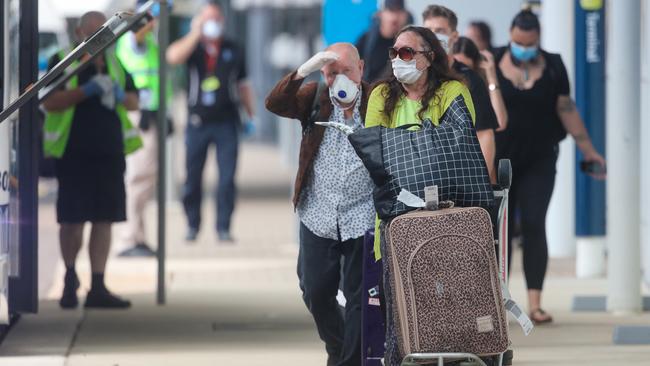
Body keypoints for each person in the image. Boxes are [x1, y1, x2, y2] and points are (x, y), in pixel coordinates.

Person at [365, 25, 477, 366]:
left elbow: (460, 149)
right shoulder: (381, 95)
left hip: (445, 215)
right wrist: (422, 149)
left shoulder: (453, 91)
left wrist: (407, 151)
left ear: (429, 58)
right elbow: (373, 152)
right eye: (395, 53)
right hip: (396, 216)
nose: (399, 60)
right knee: (400, 306)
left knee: (447, 306)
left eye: (407, 53)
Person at [493, 9, 606, 324]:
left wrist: (589, 150)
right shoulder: (494, 60)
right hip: (501, 160)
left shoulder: (554, 65)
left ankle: (535, 303)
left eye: (528, 43)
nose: (522, 48)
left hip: (540, 157)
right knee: (498, 231)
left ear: (538, 40)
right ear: (510, 35)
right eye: (518, 42)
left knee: (533, 223)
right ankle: (497, 301)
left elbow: (566, 108)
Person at [266, 43, 373, 366]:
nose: (339, 79)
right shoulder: (316, 98)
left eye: (346, 72)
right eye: (332, 73)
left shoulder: (379, 100)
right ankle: (338, 344)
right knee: (314, 289)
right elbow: (275, 103)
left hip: (363, 212)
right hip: (319, 212)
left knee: (359, 298)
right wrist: (303, 72)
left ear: (361, 69)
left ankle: (349, 360)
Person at [42, 11, 142, 309]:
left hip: (109, 153)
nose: (101, 39)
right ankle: (69, 279)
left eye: (105, 33)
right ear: (79, 33)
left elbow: (135, 100)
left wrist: (119, 95)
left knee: (104, 219)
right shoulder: (62, 60)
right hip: (74, 154)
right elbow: (50, 101)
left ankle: (98, 286)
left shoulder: (113, 62)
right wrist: (85, 91)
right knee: (72, 221)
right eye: (94, 33)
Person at [166, 0, 256, 243]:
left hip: (227, 121)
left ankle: (223, 228)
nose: (212, 24)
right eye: (207, 20)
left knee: (227, 179)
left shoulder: (234, 48)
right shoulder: (193, 47)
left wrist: (251, 115)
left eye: (216, 19)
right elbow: (172, 56)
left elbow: (244, 84)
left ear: (223, 22)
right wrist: (195, 33)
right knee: (192, 178)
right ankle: (192, 225)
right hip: (198, 122)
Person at [422, 5, 504, 181]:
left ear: (454, 36)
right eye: (428, 30)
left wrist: (479, 184)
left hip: (461, 178)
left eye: (440, 30)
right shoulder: (413, 77)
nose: (434, 36)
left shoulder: (470, 80)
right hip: (422, 178)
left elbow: (484, 135)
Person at [115, 0, 170, 257]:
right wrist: (151, 13)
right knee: (138, 176)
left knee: (145, 178)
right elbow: (135, 32)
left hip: (150, 114)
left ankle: (137, 236)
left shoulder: (149, 44)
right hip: (138, 117)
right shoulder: (132, 40)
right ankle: (128, 239)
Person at [451, 37, 508, 132]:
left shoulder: (478, 85)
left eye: (466, 68)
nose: (462, 74)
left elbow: (500, 122)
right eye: (457, 67)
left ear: (475, 66)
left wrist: (491, 77)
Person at [355, 0, 409, 83]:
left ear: (405, 16)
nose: (394, 17)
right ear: (380, 14)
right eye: (391, 10)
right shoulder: (365, 41)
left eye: (399, 11)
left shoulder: (410, 44)